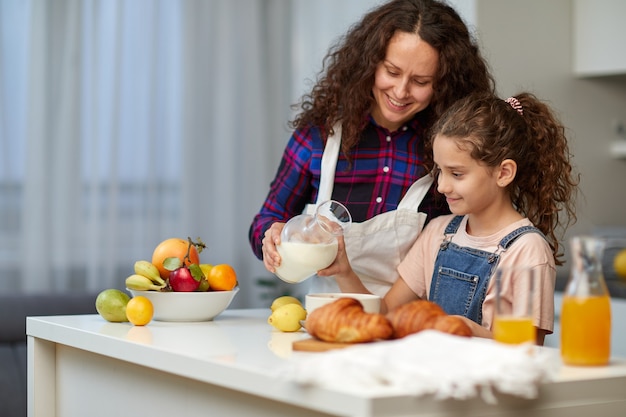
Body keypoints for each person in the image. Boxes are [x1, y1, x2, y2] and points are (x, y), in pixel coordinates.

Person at [249, 0, 495, 296]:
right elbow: (268, 216)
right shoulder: (318, 137)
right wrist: (270, 235)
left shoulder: (452, 149)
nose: (401, 92)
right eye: (392, 72)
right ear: (370, 63)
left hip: (411, 326)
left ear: (444, 84)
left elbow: (474, 239)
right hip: (325, 318)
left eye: (420, 81)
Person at [327, 92, 579, 345]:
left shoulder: (528, 251)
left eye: (456, 174)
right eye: (440, 171)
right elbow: (384, 316)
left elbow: (528, 351)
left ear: (503, 173)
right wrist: (343, 271)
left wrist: (464, 329)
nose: (441, 186)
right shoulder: (438, 233)